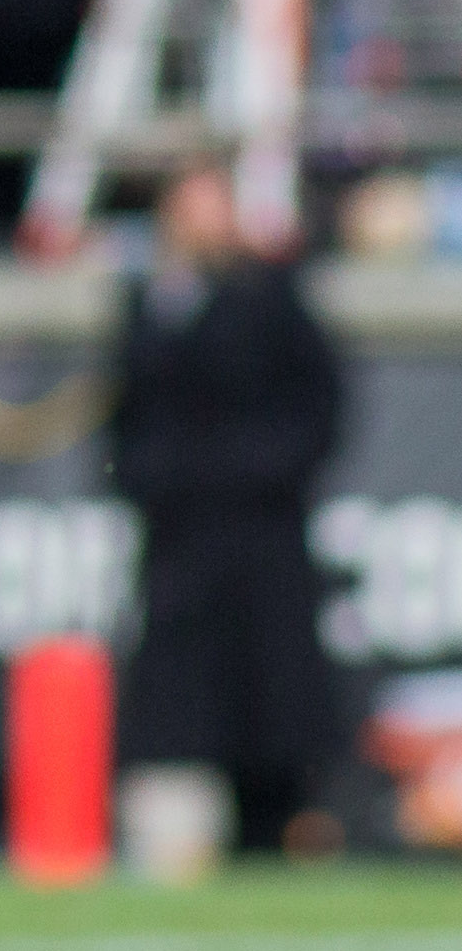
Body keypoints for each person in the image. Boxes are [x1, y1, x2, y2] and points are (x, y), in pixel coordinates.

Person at [108, 163, 345, 851]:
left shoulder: (272, 297)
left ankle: (280, 819)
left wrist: (252, 469)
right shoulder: (153, 301)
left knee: (270, 687)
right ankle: (183, 831)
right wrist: (155, 480)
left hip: (261, 530)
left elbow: (318, 409)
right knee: (181, 696)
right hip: (181, 536)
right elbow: (125, 418)